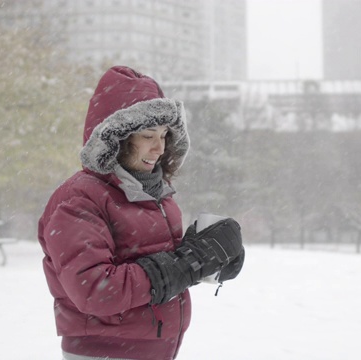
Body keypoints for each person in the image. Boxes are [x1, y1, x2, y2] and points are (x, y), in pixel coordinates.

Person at [37, 66, 245, 360]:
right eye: (148, 135)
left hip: (155, 350)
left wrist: (211, 260)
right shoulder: (79, 198)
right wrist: (188, 262)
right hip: (105, 353)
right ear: (116, 137)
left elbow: (161, 271)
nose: (160, 147)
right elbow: (96, 289)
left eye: (164, 135)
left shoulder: (156, 193)